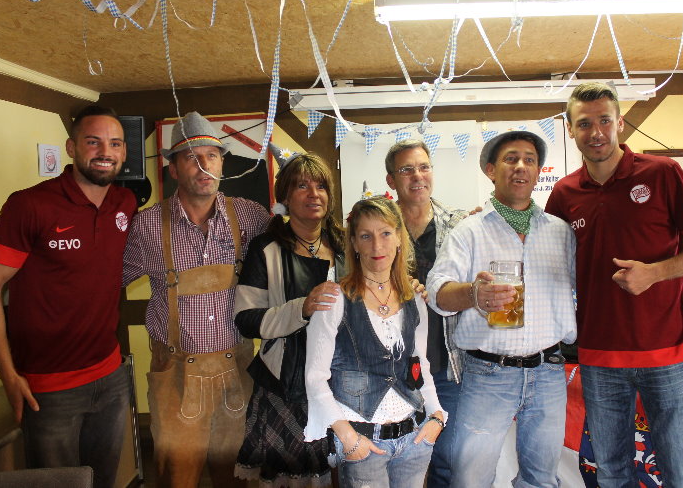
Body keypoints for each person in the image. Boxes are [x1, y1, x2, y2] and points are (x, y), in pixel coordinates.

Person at [546, 81, 683, 488]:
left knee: (682, 474)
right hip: (599, 355)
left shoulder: (662, 173)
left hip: (666, 350)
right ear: (570, 129)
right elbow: (543, 254)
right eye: (584, 123)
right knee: (611, 473)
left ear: (620, 123)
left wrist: (656, 274)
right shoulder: (564, 193)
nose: (596, 132)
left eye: (604, 120)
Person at [0, 105, 136, 488]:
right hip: (48, 389)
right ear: (71, 147)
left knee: (103, 482)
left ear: (124, 152)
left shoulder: (124, 204)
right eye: (93, 142)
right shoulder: (30, 205)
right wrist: (8, 375)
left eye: (115, 143)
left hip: (110, 376)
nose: (105, 152)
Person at [122, 111, 270, 488]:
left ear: (222, 164)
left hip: (237, 370)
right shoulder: (147, 226)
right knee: (177, 477)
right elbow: (103, 282)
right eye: (191, 157)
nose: (204, 165)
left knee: (237, 477)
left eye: (212, 156)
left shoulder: (251, 217)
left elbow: (293, 256)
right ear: (173, 169)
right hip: (175, 375)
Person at [427, 130, 577, 488]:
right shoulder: (468, 231)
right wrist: (474, 294)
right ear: (491, 171)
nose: (521, 166)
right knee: (470, 479)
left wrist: (674, 288)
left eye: (529, 160)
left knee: (541, 479)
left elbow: (588, 285)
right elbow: (437, 292)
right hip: (488, 374)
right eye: (511, 159)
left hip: (549, 372)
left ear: (538, 172)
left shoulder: (560, 231)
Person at [304, 196, 445, 488]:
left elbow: (420, 366)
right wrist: (348, 438)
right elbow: (315, 378)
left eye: (385, 233)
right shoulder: (334, 299)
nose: (377, 246)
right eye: (366, 236)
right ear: (354, 243)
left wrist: (436, 417)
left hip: (415, 438)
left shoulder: (414, 298)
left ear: (399, 238)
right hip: (362, 444)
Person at [233, 148, 345, 487]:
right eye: (302, 186)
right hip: (285, 384)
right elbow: (246, 319)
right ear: (284, 197)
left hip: (341, 380)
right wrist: (301, 308)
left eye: (321, 186)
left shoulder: (346, 245)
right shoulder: (265, 248)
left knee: (344, 472)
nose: (314, 194)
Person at [384, 139, 466, 488]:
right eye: (406, 169)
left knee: (448, 461)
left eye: (423, 167)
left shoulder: (461, 224)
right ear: (391, 180)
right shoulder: (377, 226)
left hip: (449, 367)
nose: (417, 176)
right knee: (396, 463)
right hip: (391, 369)